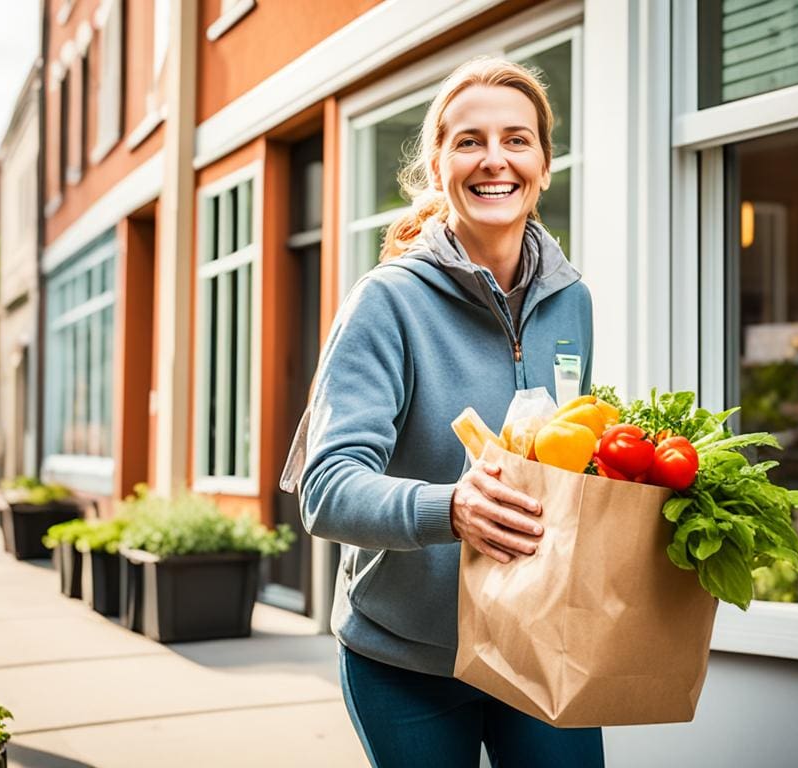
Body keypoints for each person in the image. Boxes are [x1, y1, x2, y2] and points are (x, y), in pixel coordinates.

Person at [285, 56, 602, 767]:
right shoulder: (386, 302)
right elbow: (326, 486)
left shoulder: (572, 301)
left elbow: (572, 459)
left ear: (546, 165)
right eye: (470, 141)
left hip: (540, 642)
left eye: (518, 140)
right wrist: (450, 508)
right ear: (438, 167)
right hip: (407, 660)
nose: (496, 160)